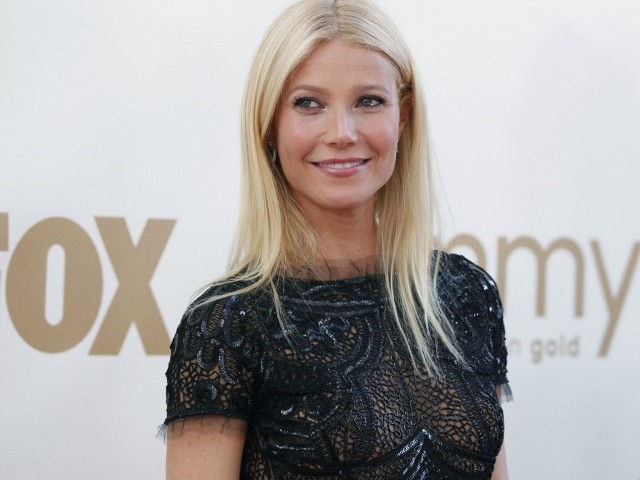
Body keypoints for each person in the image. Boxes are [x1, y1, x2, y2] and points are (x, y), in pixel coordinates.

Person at [162, 0, 511, 478]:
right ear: (269, 123)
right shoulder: (228, 326)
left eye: (369, 101)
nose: (342, 132)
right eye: (309, 103)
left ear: (403, 117)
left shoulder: (466, 294)